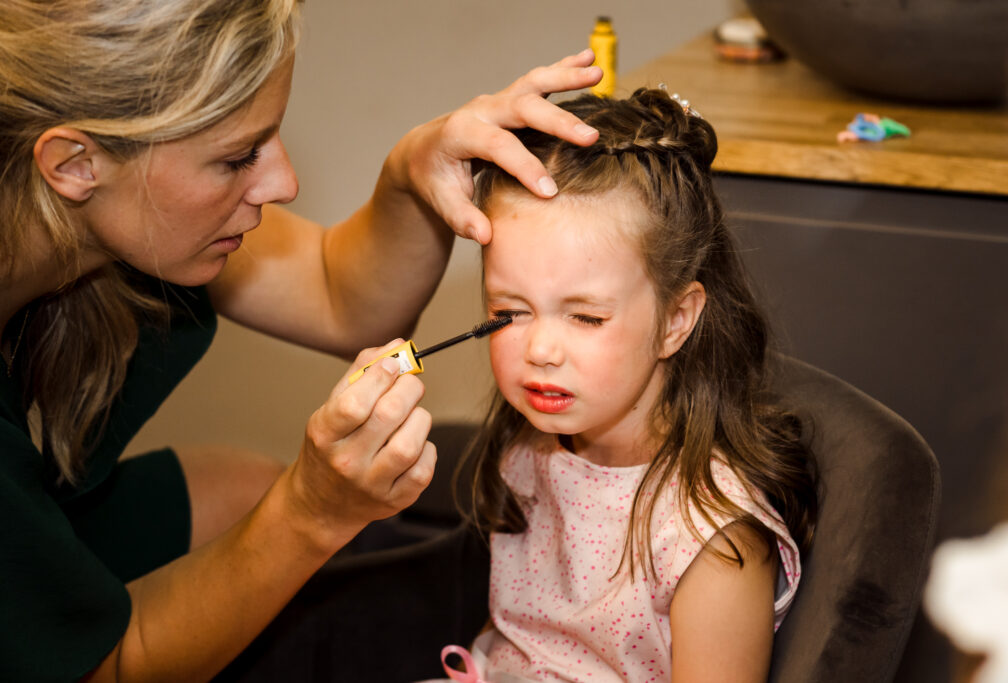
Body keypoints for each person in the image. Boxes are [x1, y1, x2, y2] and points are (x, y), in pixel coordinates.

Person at [0, 0, 604, 680]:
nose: (284, 183)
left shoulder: (115, 217)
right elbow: (102, 668)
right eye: (236, 158)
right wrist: (311, 512)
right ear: (75, 163)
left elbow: (336, 292)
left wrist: (412, 168)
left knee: (245, 493)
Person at [436, 87, 820, 682]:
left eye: (586, 317)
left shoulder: (711, 543)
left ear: (675, 320)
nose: (539, 349)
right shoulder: (535, 442)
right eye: (510, 312)